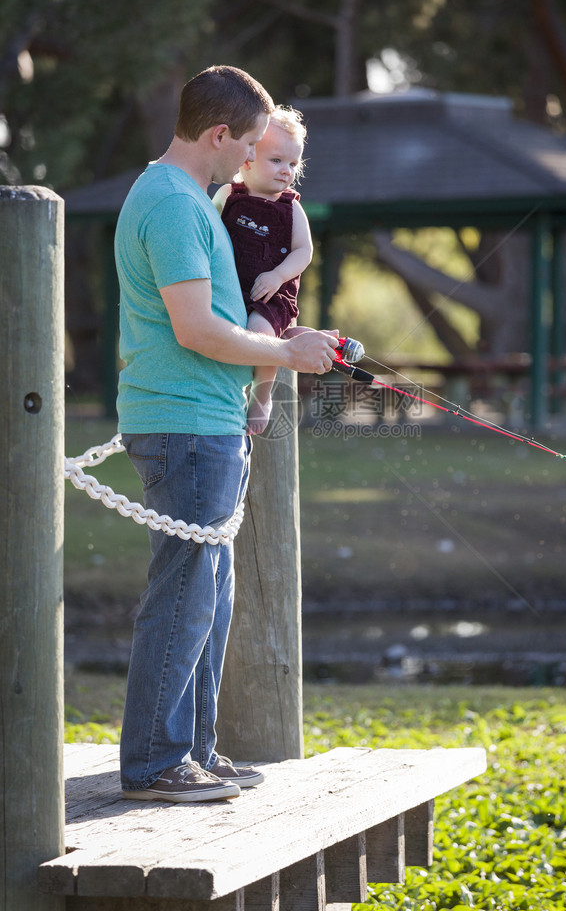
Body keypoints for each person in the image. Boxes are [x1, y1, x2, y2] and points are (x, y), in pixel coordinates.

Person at [114, 65, 338, 803]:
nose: (253, 157)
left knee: (208, 598)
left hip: (208, 421)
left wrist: (282, 338)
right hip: (183, 421)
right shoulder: (176, 206)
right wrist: (285, 354)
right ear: (219, 136)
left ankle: (193, 752)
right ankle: (154, 762)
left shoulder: (191, 200)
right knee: (183, 597)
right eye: (247, 143)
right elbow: (196, 328)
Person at [212, 106, 312, 433]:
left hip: (271, 296)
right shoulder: (229, 195)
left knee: (259, 332)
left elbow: (304, 252)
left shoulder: (291, 208)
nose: (287, 170)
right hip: (231, 286)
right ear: (247, 158)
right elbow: (209, 231)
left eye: (293, 164)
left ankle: (261, 395)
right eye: (277, 160)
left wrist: (278, 276)